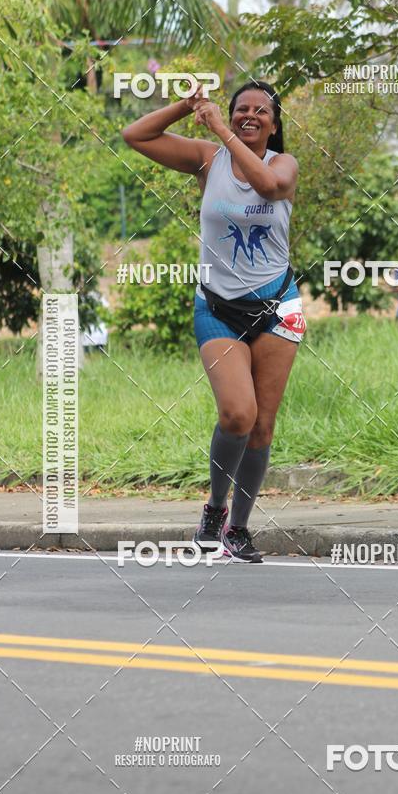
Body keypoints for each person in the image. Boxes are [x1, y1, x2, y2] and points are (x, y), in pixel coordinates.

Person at [122, 79, 305, 563]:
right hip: (218, 306)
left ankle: (237, 529)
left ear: (274, 124)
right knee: (238, 415)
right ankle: (214, 509)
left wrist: (222, 128)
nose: (250, 116)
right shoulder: (208, 159)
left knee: (262, 428)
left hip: (277, 306)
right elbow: (135, 135)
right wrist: (186, 106)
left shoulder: (283, 165)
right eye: (241, 108)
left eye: (261, 111)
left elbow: (268, 187)